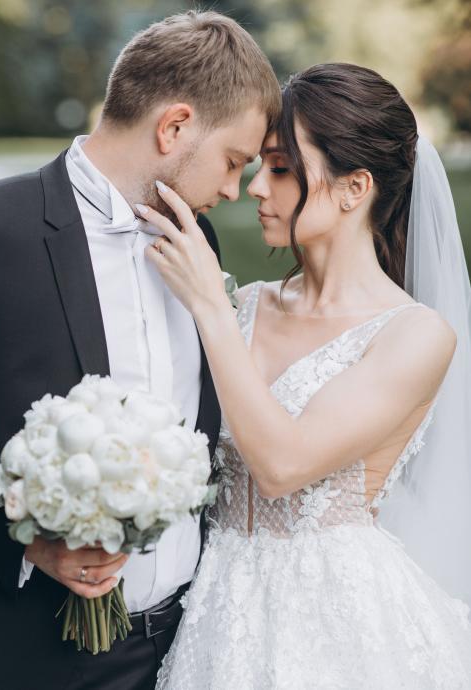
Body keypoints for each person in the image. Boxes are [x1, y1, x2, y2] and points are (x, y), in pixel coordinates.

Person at [0, 11, 281, 690]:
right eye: (234, 161)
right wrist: (31, 542)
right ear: (175, 126)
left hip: (187, 648)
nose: (232, 190)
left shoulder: (198, 245)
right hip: (24, 652)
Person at [141, 63, 471, 689]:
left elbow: (283, 465)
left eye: (282, 169)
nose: (257, 188)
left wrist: (209, 304)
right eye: (259, 165)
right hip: (213, 604)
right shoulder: (247, 305)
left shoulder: (415, 335)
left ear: (354, 188)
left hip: (333, 627)